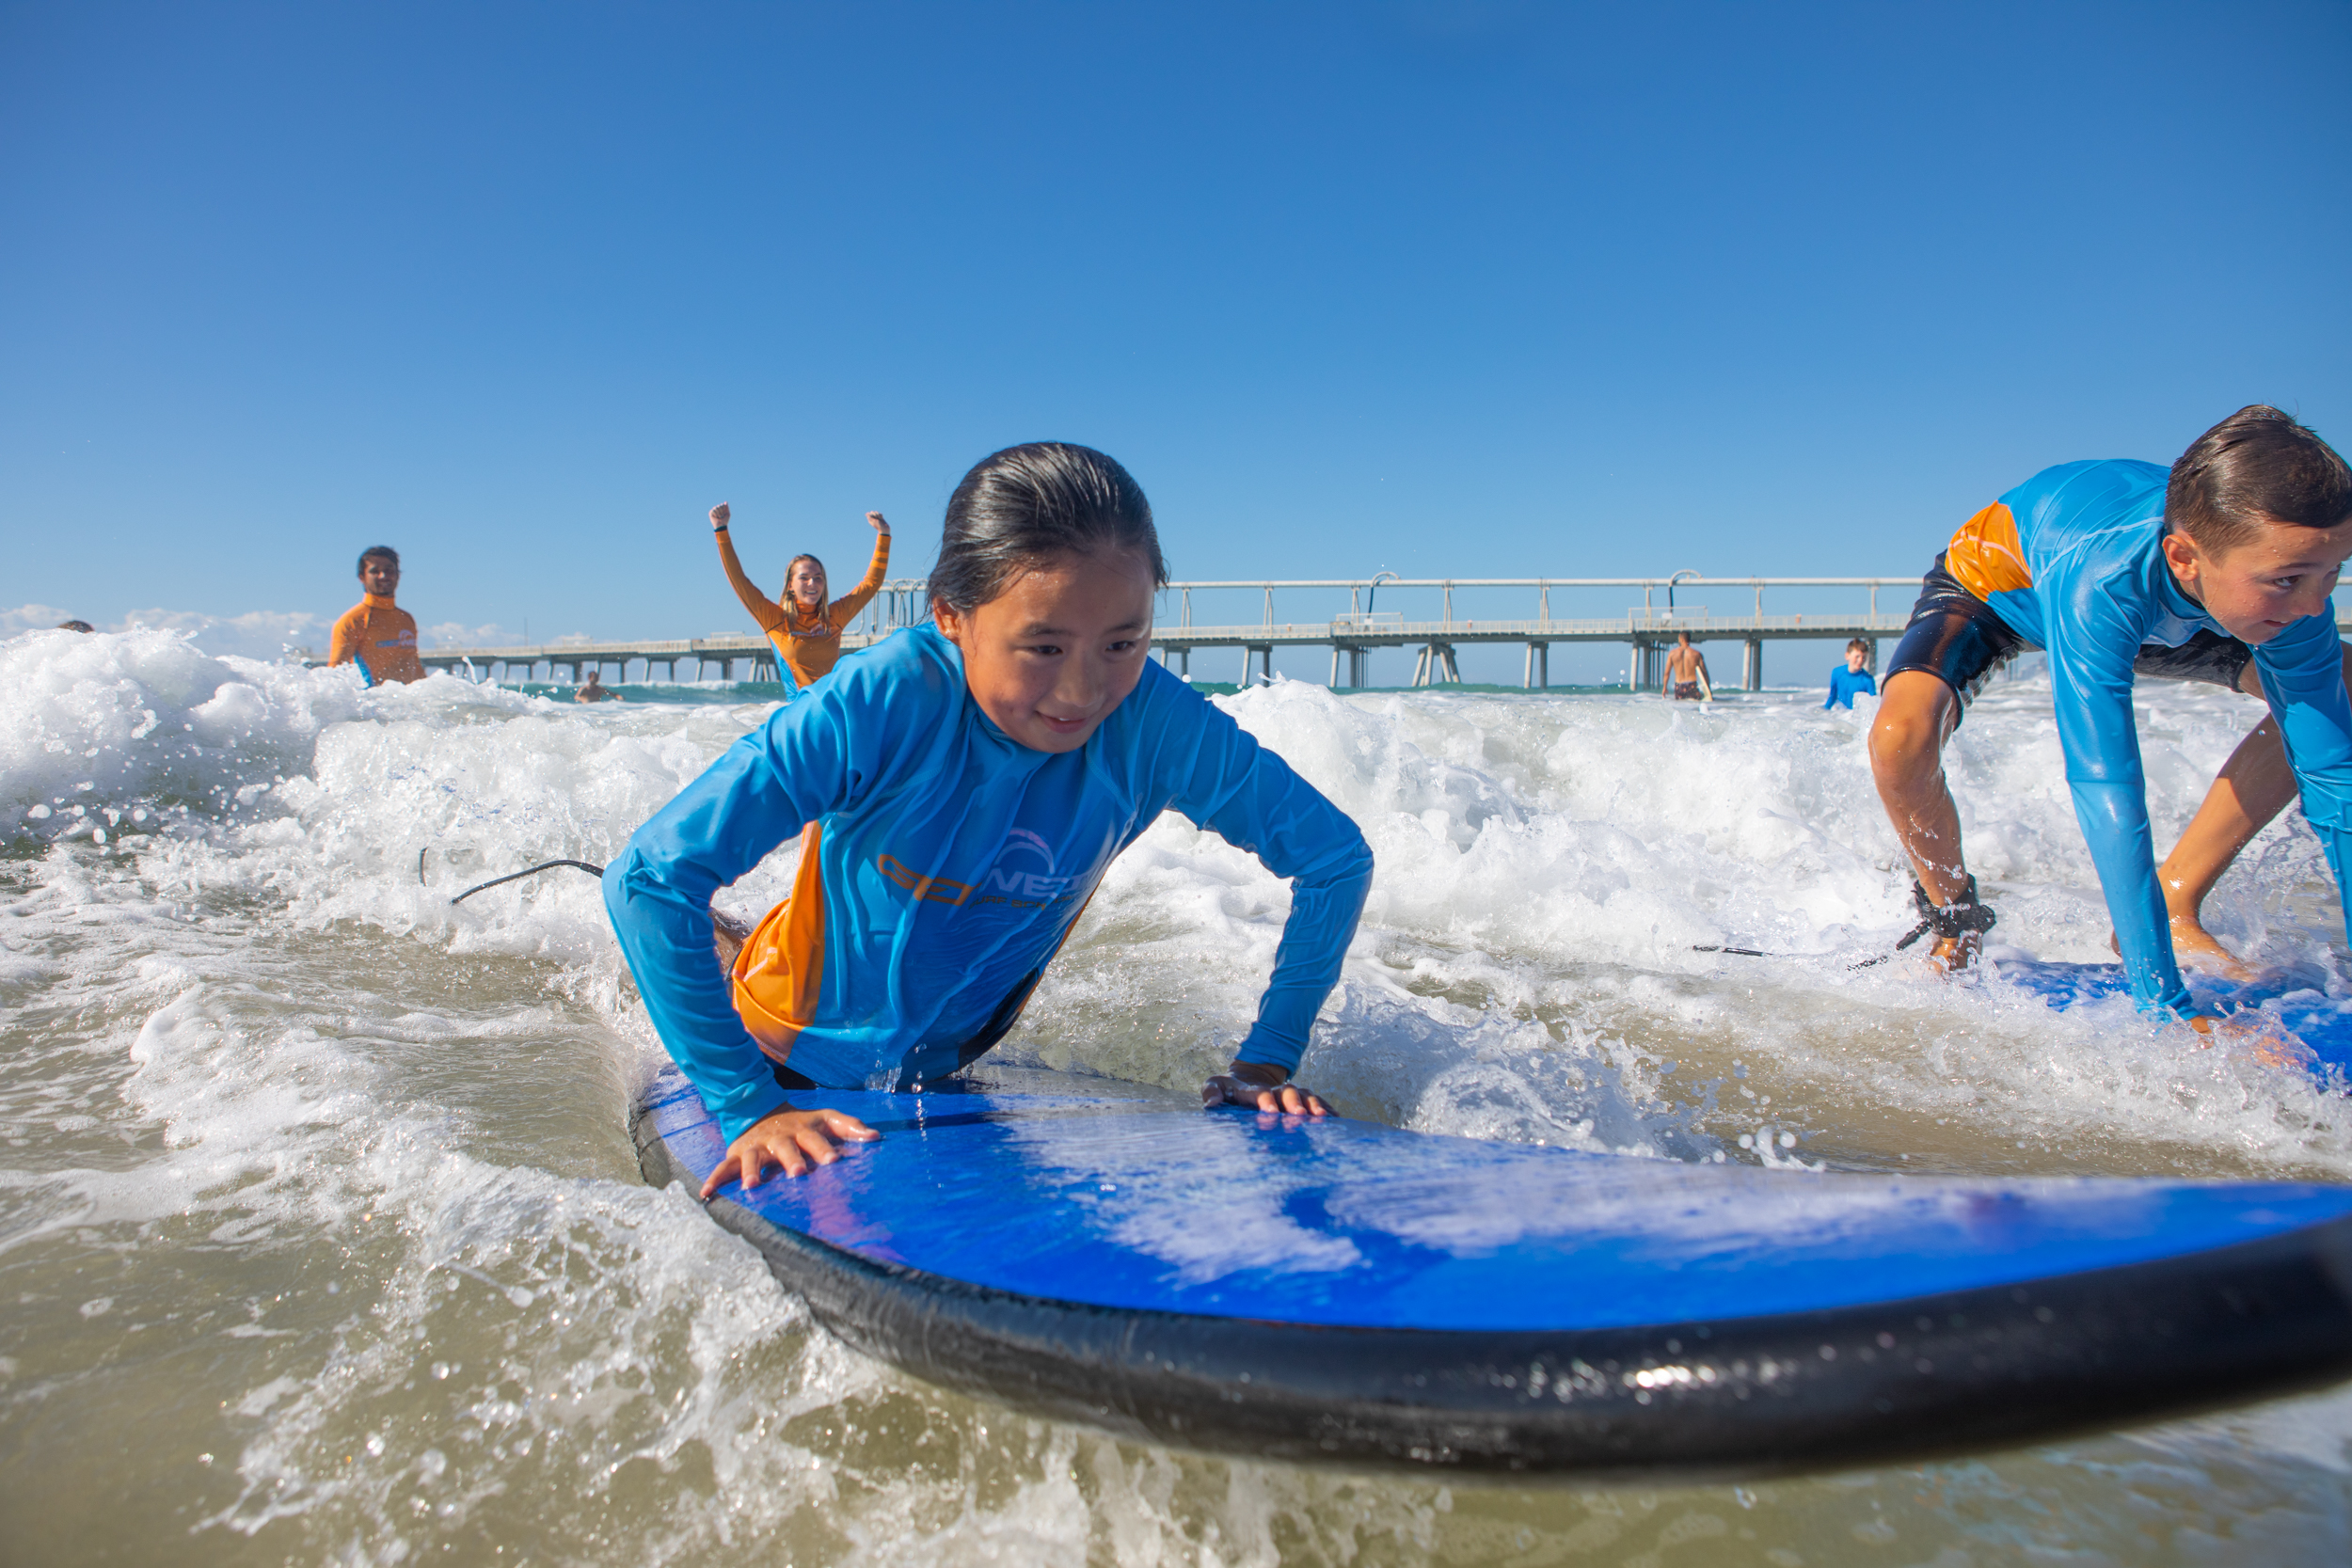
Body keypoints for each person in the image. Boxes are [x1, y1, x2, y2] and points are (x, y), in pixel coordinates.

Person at [609, 443, 1375, 1194]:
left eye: (1123, 641)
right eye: (1044, 646)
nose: (1083, 691)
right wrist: (747, 1103)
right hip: (777, 1056)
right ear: (951, 613)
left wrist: (1265, 1063)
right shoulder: (882, 699)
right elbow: (647, 880)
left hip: (943, 1073)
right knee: (721, 940)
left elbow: (1335, 860)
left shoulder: (1158, 724)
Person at [1867, 405, 2352, 1026]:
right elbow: (2107, 787)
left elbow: (2333, 775)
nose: (2315, 605)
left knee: (2344, 688)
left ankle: (2176, 900)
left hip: (2187, 605)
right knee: (1900, 738)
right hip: (1998, 589)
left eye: (2333, 572)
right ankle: (1955, 921)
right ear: (2184, 556)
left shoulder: (2284, 583)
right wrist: (2164, 1007)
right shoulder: (2105, 581)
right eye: (2289, 580)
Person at [712, 504, 892, 691]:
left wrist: (884, 534)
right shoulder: (775, 620)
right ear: (790, 585)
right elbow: (739, 581)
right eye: (804, 578)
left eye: (818, 578)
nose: (812, 583)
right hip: (799, 706)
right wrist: (721, 529)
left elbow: (871, 584)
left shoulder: (833, 617)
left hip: (832, 703)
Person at [328, 546, 425, 685]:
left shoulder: (406, 619)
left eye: (389, 570)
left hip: (410, 697)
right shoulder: (353, 621)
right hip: (374, 697)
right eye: (375, 571)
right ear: (362, 577)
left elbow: (416, 670)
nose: (383, 576)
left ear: (398, 575)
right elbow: (335, 675)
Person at [1825, 639, 1878, 709]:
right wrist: (1822, 711)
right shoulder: (1836, 673)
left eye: (1864, 657)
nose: (1860, 660)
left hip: (1856, 715)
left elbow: (1873, 705)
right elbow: (1832, 698)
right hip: (1841, 714)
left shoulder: (1868, 680)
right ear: (1847, 656)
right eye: (1857, 656)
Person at [1661, 631, 1709, 700]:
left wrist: (1664, 687)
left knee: (1680, 705)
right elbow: (1704, 673)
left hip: (1679, 685)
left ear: (1682, 639)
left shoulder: (1672, 654)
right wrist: (1708, 689)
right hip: (1692, 685)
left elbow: (1667, 673)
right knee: (1694, 704)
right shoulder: (1697, 654)